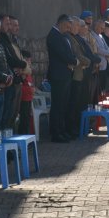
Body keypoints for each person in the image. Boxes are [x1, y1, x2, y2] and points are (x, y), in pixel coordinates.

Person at [45, 15, 77, 143]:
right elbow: (63, 55)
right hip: (58, 75)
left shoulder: (63, 36)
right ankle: (56, 133)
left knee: (63, 104)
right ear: (61, 23)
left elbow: (69, 53)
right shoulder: (54, 35)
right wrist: (74, 61)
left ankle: (62, 130)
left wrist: (72, 60)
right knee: (58, 105)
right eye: (67, 27)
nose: (68, 29)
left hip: (65, 74)